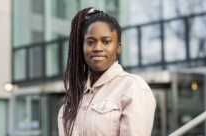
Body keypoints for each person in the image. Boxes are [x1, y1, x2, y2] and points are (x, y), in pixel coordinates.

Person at [58, 7, 156, 136]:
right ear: (81, 47)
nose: (98, 48)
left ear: (118, 47)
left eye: (106, 41)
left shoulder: (133, 88)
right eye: (90, 42)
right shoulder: (73, 100)